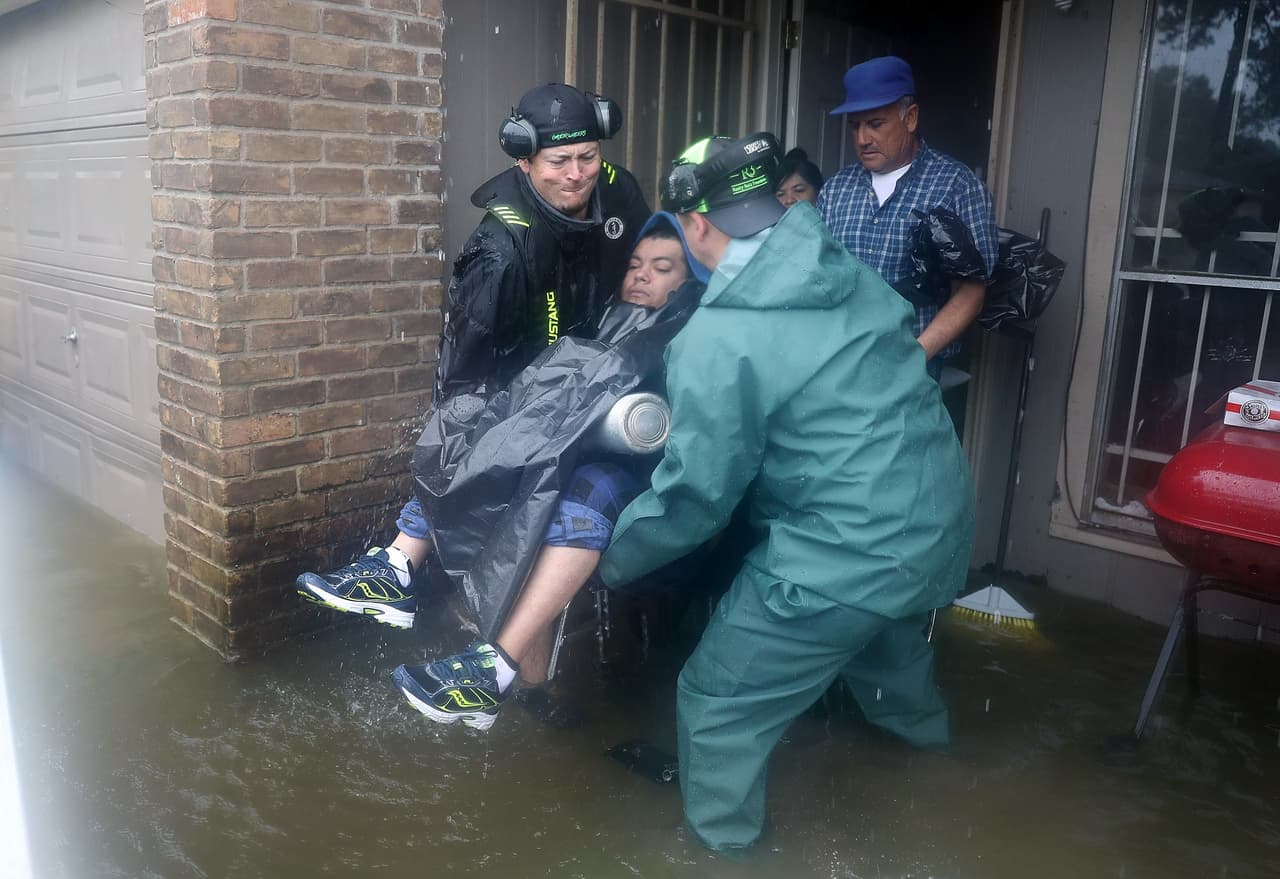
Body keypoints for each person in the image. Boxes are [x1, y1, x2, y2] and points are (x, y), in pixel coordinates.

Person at [596, 133, 975, 851]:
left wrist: (611, 560)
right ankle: (948, 785)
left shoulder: (719, 336)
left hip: (843, 551)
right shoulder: (850, 273)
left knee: (716, 703)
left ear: (696, 224)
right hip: (936, 526)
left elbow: (696, 497)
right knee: (885, 655)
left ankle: (724, 856)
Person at [296, 84, 650, 627]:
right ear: (523, 158)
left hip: (604, 372)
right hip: (521, 393)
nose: (577, 174)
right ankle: (401, 564)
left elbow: (648, 262)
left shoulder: (619, 192)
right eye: (559, 161)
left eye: (588, 156)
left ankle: (400, 566)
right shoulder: (498, 251)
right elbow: (462, 382)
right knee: (487, 431)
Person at [388, 217, 706, 729]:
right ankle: (398, 565)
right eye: (635, 265)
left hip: (638, 470)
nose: (642, 275)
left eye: (661, 267)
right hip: (571, 454)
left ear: (688, 281)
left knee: (579, 490)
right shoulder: (603, 320)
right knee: (482, 427)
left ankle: (496, 669)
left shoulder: (691, 333)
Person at [817, 55, 997, 380]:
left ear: (910, 118)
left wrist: (914, 356)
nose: (861, 139)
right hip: (838, 360)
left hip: (914, 365)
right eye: (855, 126)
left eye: (875, 124)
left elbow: (971, 292)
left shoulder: (956, 187)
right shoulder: (836, 190)